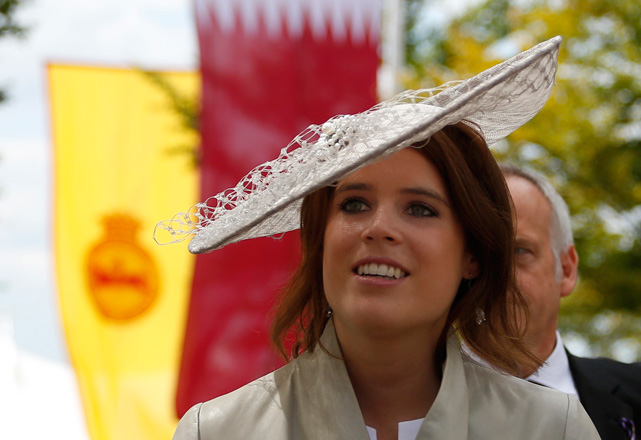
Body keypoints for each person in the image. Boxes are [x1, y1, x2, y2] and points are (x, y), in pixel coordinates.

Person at [160, 36, 600, 439]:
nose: (379, 227)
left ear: (472, 254)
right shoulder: (218, 431)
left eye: (420, 209)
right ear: (320, 240)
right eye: (354, 204)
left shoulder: (552, 429)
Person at [502, 163, 641, 440]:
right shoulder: (416, 404)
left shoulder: (635, 392)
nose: (497, 272)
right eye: (478, 252)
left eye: (519, 250)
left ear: (566, 270)